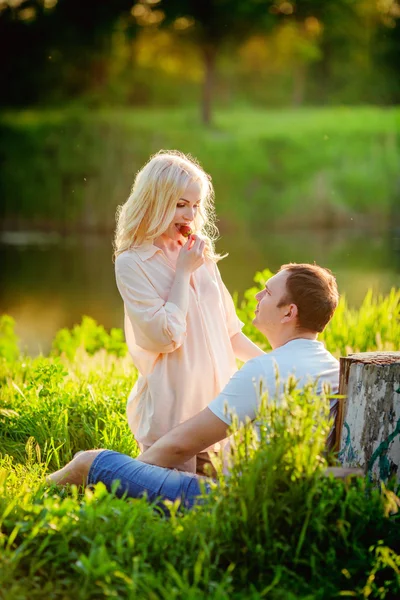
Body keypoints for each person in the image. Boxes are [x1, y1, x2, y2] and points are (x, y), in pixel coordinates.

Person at [49, 263, 343, 508]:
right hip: (285, 500)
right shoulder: (332, 367)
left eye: (267, 292)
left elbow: (180, 446)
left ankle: (35, 495)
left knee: (88, 461)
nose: (256, 296)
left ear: (288, 312)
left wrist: (131, 476)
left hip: (234, 503)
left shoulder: (266, 370)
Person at [113, 150, 263, 474]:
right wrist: (183, 273)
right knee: (170, 511)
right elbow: (166, 337)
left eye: (195, 206)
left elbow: (230, 332)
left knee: (217, 509)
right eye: (181, 204)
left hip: (218, 417)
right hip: (173, 417)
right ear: (155, 202)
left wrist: (273, 365)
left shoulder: (198, 252)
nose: (190, 215)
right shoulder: (132, 263)